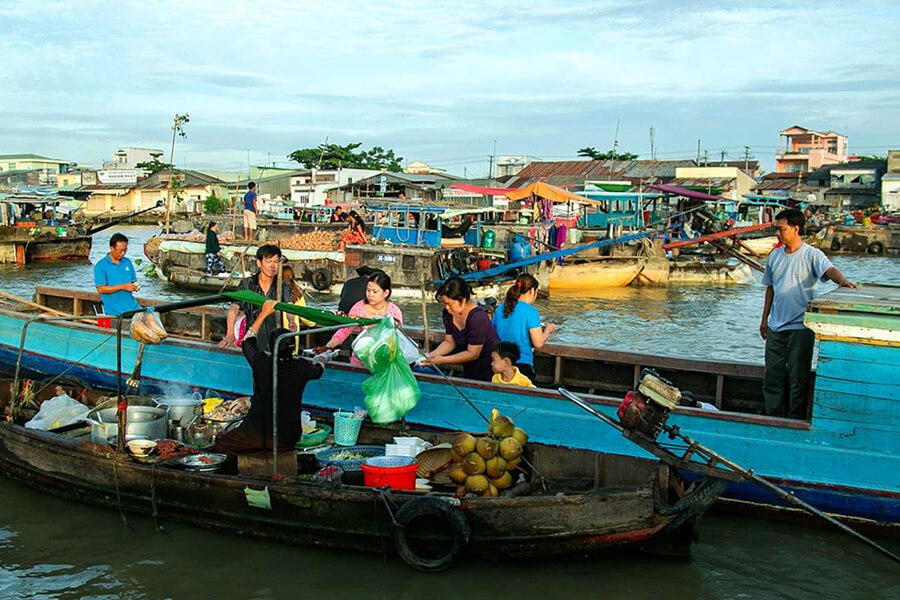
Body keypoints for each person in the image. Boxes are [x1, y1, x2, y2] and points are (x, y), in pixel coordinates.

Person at [760, 208, 857, 419]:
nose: (777, 233)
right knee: (772, 376)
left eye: (781, 229)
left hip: (801, 326)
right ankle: (772, 416)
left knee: (798, 378)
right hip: (776, 325)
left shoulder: (812, 254)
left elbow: (829, 270)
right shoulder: (775, 256)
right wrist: (764, 320)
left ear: (796, 229)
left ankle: (794, 418)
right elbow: (770, 288)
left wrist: (843, 281)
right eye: (777, 229)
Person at [214, 301, 326, 458]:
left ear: (269, 345)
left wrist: (263, 314)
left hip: (254, 432)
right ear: (293, 347)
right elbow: (319, 369)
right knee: (268, 452)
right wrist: (323, 357)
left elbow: (247, 340)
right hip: (286, 437)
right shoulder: (302, 366)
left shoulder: (261, 362)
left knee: (221, 444)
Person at [219, 244, 295, 352]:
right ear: (259, 263)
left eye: (276, 262)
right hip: (253, 341)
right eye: (269, 262)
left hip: (274, 341)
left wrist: (291, 321)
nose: (272, 266)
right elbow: (234, 308)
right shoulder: (247, 284)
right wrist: (230, 333)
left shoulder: (283, 286)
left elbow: (289, 307)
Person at [423, 276, 499, 381]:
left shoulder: (478, 317)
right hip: (469, 368)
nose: (447, 308)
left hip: (489, 368)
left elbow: (473, 353)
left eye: (449, 304)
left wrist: (441, 360)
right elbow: (449, 342)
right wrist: (431, 356)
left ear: (462, 301)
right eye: (444, 304)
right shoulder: (448, 314)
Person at [321, 272, 403, 366]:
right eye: (368, 290)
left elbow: (398, 339)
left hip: (384, 363)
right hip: (360, 360)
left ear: (386, 293)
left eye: (375, 292)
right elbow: (344, 330)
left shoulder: (394, 312)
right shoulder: (359, 307)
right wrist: (328, 347)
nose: (370, 295)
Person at [492, 274, 554, 380]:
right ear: (532, 291)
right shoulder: (530, 311)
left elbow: (493, 334)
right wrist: (548, 330)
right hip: (522, 365)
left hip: (501, 365)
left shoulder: (500, 309)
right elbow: (538, 343)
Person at [93, 233, 141, 316]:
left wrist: (134, 286)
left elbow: (133, 281)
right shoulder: (101, 266)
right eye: (120, 251)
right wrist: (122, 286)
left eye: (125, 250)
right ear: (112, 248)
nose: (123, 253)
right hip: (115, 311)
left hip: (133, 307)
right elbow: (101, 289)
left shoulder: (127, 262)